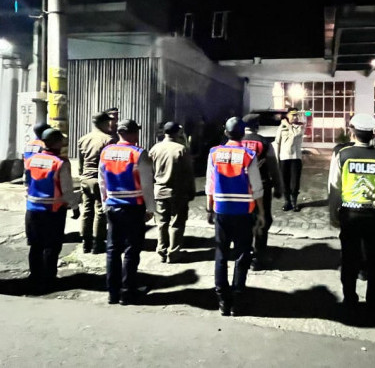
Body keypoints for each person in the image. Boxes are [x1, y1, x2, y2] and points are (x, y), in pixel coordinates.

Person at [328, 114, 375, 310]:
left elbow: (334, 187)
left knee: (349, 258)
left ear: (352, 132)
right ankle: (374, 301)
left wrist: (333, 214)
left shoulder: (343, 155)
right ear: (373, 134)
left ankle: (350, 297)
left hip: (350, 214)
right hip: (374, 215)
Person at [206, 117, 265, 316]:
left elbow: (210, 184)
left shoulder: (214, 153)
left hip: (221, 210)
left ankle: (222, 299)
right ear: (243, 133)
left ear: (226, 133)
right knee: (242, 254)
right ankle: (238, 297)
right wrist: (261, 212)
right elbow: (256, 187)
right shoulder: (249, 154)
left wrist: (209, 209)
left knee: (221, 254)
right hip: (244, 211)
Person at [99, 119, 155, 305]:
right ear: (133, 133)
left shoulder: (106, 151)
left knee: (112, 250)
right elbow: (147, 185)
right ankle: (127, 292)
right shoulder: (139, 153)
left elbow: (101, 180)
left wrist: (105, 202)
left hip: (112, 205)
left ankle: (112, 293)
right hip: (133, 207)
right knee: (132, 250)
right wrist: (150, 208)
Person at [24, 128, 79, 293]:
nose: (63, 143)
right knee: (52, 246)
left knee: (35, 245)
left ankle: (34, 276)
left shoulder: (31, 159)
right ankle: (49, 278)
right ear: (56, 142)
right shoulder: (60, 163)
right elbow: (66, 189)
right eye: (61, 140)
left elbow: (27, 182)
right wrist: (74, 206)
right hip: (53, 210)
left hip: (32, 208)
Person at [149, 122, 196, 263]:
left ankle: (162, 251)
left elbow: (150, 171)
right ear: (177, 133)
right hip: (178, 192)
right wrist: (191, 191)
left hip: (159, 191)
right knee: (177, 223)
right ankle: (173, 253)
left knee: (162, 222)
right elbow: (189, 173)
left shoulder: (155, 148)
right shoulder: (181, 149)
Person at [240, 113, 283, 270]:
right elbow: (273, 167)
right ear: (257, 126)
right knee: (262, 220)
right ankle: (258, 257)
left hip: (240, 188)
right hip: (262, 187)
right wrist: (278, 187)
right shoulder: (264, 143)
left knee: (244, 220)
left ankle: (243, 254)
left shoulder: (235, 141)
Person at [77, 112, 116, 253]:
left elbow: (81, 163)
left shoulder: (83, 139)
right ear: (104, 123)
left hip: (85, 178)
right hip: (99, 179)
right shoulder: (108, 140)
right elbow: (110, 164)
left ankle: (85, 243)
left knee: (87, 211)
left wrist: (82, 175)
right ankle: (97, 243)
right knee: (100, 211)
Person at [275, 107, 305, 212]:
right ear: (287, 116)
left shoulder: (300, 127)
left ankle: (294, 202)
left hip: (295, 158)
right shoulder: (281, 127)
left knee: (295, 182)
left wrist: (287, 125)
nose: (295, 117)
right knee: (284, 181)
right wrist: (277, 158)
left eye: (296, 115)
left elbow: (294, 136)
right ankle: (287, 202)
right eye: (293, 115)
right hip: (284, 158)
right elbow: (277, 142)